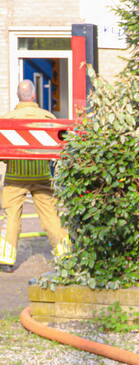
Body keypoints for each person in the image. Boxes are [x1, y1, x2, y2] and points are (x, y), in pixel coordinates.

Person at [0, 80, 68, 272]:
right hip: (41, 175)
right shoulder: (48, 117)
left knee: (11, 215)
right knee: (51, 216)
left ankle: (6, 259)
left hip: (16, 176)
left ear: (17, 96)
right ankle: (65, 255)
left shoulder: (8, 119)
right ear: (34, 96)